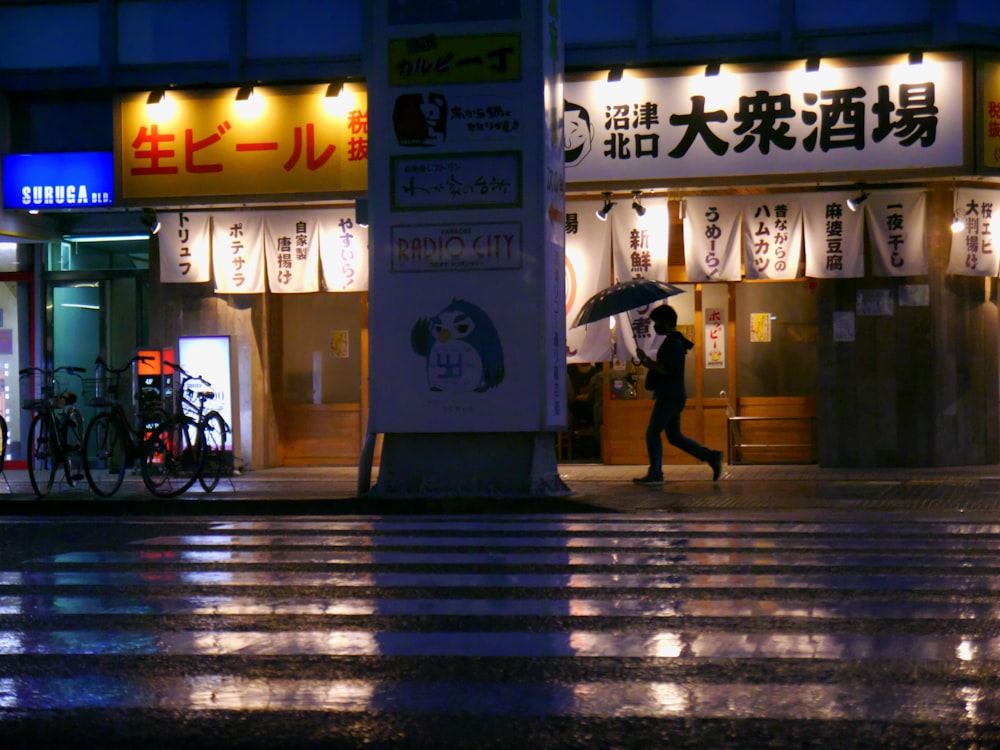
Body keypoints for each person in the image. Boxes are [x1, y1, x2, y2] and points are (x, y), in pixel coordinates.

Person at [633, 305, 723, 484]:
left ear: (667, 322)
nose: (655, 327)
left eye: (657, 323)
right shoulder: (675, 342)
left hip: (668, 396)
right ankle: (710, 456)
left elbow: (666, 370)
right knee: (674, 436)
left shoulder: (674, 344)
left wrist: (646, 361)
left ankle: (656, 472)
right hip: (673, 395)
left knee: (652, 434)